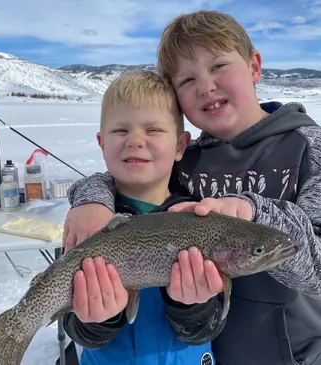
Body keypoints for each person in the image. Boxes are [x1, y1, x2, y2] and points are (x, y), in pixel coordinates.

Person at [62, 10, 321, 365]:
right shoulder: (187, 158)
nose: (205, 86)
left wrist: (255, 212)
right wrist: (91, 197)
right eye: (186, 80)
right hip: (206, 349)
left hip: (293, 355)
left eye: (218, 66)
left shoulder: (310, 148)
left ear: (255, 66)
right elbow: (131, 178)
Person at [63, 70, 225, 365]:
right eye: (121, 131)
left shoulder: (200, 220)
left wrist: (190, 306)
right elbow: (75, 330)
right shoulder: (88, 224)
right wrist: (100, 319)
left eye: (152, 130)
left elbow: (207, 330)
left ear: (180, 146)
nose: (135, 140)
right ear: (101, 143)